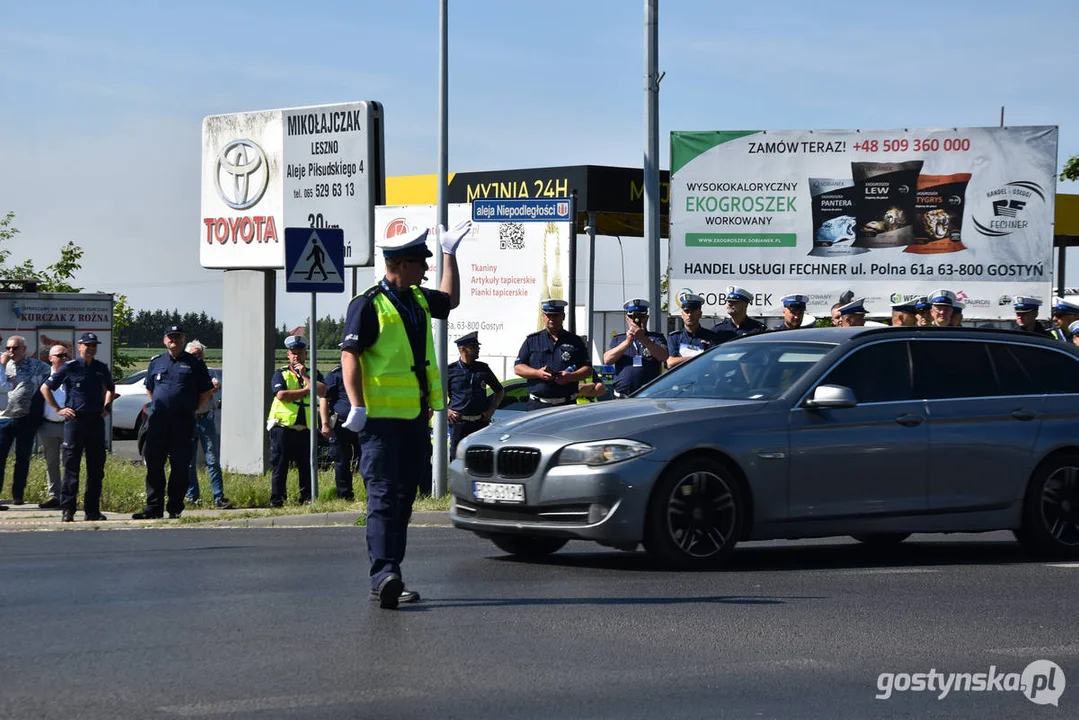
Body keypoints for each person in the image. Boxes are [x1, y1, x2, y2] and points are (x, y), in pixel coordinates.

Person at [339, 219, 470, 609]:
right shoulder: (367, 305)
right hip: (378, 424)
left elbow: (451, 299)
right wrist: (357, 404)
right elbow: (350, 355)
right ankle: (384, 574)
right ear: (401, 264)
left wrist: (451, 254)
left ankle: (391, 571)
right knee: (381, 497)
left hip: (414, 421)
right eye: (422, 263)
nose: (427, 270)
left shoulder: (416, 300)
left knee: (403, 499)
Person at [133, 325, 214, 520]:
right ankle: (154, 507)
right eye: (171, 337)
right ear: (164, 340)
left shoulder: (194, 363)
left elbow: (205, 392)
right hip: (159, 421)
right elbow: (150, 389)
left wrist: (190, 409)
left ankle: (175, 507)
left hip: (183, 422)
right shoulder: (157, 362)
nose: (174, 340)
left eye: (178, 337)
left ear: (183, 339)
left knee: (180, 466)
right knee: (154, 465)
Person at [41, 332, 116, 523]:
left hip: (95, 422)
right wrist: (58, 409)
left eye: (94, 345)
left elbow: (111, 389)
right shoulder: (70, 367)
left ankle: (92, 511)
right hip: (75, 422)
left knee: (96, 469)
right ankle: (68, 510)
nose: (91, 348)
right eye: (87, 345)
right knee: (71, 468)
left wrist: (106, 407)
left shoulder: (100, 368)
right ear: (80, 346)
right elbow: (45, 388)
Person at [267, 334, 326, 508]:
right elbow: (281, 395)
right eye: (293, 353)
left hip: (305, 429)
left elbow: (323, 391)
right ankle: (277, 499)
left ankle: (306, 498)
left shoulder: (314, 374)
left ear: (305, 354)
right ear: (288, 355)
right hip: (283, 427)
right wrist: (308, 391)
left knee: (306, 466)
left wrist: (306, 378)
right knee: (280, 466)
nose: (296, 356)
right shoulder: (281, 373)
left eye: (300, 352)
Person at [514, 298, 592, 411]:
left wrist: (570, 377)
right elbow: (518, 368)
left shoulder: (575, 341)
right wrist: (538, 373)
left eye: (555, 315)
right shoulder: (532, 340)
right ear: (543, 316)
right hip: (537, 405)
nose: (551, 319)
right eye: (548, 315)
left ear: (563, 316)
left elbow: (588, 369)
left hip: (566, 405)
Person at [0, 335, 50, 506]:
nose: (10, 352)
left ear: (24, 349)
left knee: (23, 458)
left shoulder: (36, 366)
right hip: (3, 418)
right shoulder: (2, 365)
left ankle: (18, 495)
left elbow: (54, 375)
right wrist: (2, 364)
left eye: (15, 348)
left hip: (26, 418)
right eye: (8, 348)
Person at [183, 340, 232, 509]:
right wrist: (206, 390)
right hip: (189, 420)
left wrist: (207, 389)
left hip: (205, 419)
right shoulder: (184, 371)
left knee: (212, 459)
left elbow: (214, 387)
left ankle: (218, 496)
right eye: (193, 355)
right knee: (189, 461)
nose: (197, 357)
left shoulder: (207, 370)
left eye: (199, 354)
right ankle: (192, 496)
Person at [446, 331, 504, 459]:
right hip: (459, 424)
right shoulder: (450, 370)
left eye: (478, 346)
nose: (478, 349)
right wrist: (447, 410)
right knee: (457, 459)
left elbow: (499, 390)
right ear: (462, 349)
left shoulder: (483, 368)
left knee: (481, 458)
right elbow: (437, 394)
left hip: (480, 423)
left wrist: (491, 410)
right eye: (474, 346)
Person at [604, 299, 669, 397]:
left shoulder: (656, 337)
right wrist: (627, 342)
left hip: (649, 395)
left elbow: (663, 356)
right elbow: (607, 359)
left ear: (646, 317)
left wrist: (643, 338)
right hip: (623, 396)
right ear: (627, 319)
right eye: (632, 317)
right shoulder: (619, 339)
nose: (636, 320)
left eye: (640, 316)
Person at [319, 344, 359, 501]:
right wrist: (325, 423)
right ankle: (345, 495)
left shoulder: (367, 371)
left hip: (364, 424)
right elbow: (324, 399)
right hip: (341, 425)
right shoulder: (336, 374)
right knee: (341, 462)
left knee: (368, 461)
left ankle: (371, 495)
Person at [36, 345, 70, 509]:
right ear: (50, 358)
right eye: (59, 355)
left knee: (70, 462)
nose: (63, 358)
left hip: (68, 426)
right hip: (47, 425)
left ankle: (69, 496)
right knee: (51, 462)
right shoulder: (42, 376)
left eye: (65, 355)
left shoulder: (71, 375)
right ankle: (54, 496)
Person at [667, 291, 730, 368]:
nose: (689, 315)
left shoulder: (711, 337)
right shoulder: (675, 337)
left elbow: (713, 363)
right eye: (687, 311)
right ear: (682, 315)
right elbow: (671, 362)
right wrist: (699, 357)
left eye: (693, 311)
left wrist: (681, 360)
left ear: (700, 314)